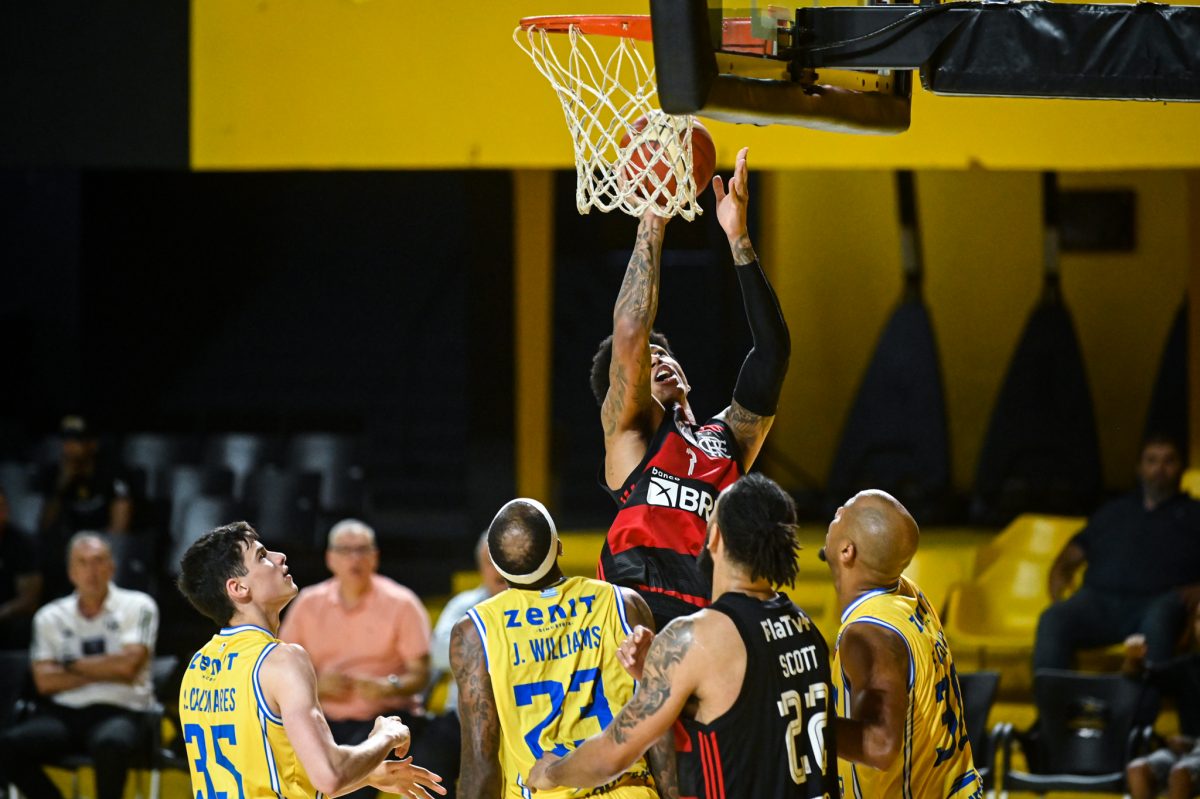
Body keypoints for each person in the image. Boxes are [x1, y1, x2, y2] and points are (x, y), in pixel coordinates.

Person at [529, 473, 838, 799]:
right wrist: (657, 676)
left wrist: (552, 772)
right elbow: (753, 719)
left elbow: (612, 755)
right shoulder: (806, 629)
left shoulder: (695, 638)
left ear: (714, 537)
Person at [590, 148, 791, 630]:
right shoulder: (631, 436)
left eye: (665, 355)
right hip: (638, 615)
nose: (658, 360)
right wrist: (654, 219)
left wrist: (738, 238)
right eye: (648, 363)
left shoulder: (728, 440)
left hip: (710, 619)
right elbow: (632, 334)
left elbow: (772, 353)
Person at [176, 521, 444, 799]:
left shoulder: (198, 665)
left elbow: (271, 776)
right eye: (262, 556)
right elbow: (330, 776)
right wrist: (385, 736)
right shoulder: (282, 659)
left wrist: (366, 774)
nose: (279, 557)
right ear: (239, 588)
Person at [450, 497, 674, 798]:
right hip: (628, 789)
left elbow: (480, 764)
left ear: (498, 567)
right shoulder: (624, 604)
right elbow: (660, 724)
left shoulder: (475, 631)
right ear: (559, 546)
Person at [821, 489, 981, 799]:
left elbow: (880, 746)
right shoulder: (909, 595)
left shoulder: (869, 635)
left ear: (847, 551)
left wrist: (803, 723)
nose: (836, 512)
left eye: (842, 513)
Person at [279, 519, 436, 799]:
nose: (355, 558)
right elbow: (282, 669)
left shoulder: (402, 602)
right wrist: (317, 686)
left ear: (375, 557)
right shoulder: (308, 603)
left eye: (362, 550)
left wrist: (389, 686)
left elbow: (420, 674)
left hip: (386, 718)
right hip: (324, 721)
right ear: (330, 558)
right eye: (345, 550)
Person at [0, 533, 157, 799]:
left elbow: (128, 667)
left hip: (121, 711)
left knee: (112, 743)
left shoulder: (139, 605)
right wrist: (108, 667)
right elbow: (45, 682)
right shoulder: (50, 616)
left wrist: (68, 665)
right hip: (64, 713)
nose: (91, 570)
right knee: (7, 746)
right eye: (82, 562)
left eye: (98, 561)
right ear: (71, 572)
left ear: (112, 567)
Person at [1034, 433, 1200, 671]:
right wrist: (1059, 581)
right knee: (1053, 618)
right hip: (1098, 600)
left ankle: (1147, 694)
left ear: (1181, 468)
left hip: (1158, 601)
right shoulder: (1113, 511)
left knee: (1160, 618)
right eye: (1152, 461)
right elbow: (1070, 556)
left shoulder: (1194, 513)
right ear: (1139, 468)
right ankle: (1054, 694)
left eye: (1169, 461)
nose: (1160, 469)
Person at [36, 416, 132, 600]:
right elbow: (45, 525)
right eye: (66, 441)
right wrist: (62, 484)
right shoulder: (56, 474)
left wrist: (94, 552)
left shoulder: (112, 472)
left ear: (92, 445)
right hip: (68, 544)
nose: (70, 448)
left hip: (104, 544)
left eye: (77, 441)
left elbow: (119, 528)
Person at [1126, 602, 1200, 799]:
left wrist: (1193, 743)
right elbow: (1143, 675)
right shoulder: (1187, 667)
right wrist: (1134, 660)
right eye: (1199, 619)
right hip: (1185, 752)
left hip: (1191, 752)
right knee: (1137, 769)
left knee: (1181, 773)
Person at [0, 484, 42, 648]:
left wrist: (2, 612)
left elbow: (28, 600)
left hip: (7, 616)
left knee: (23, 626)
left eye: (2, 506)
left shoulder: (22, 544)